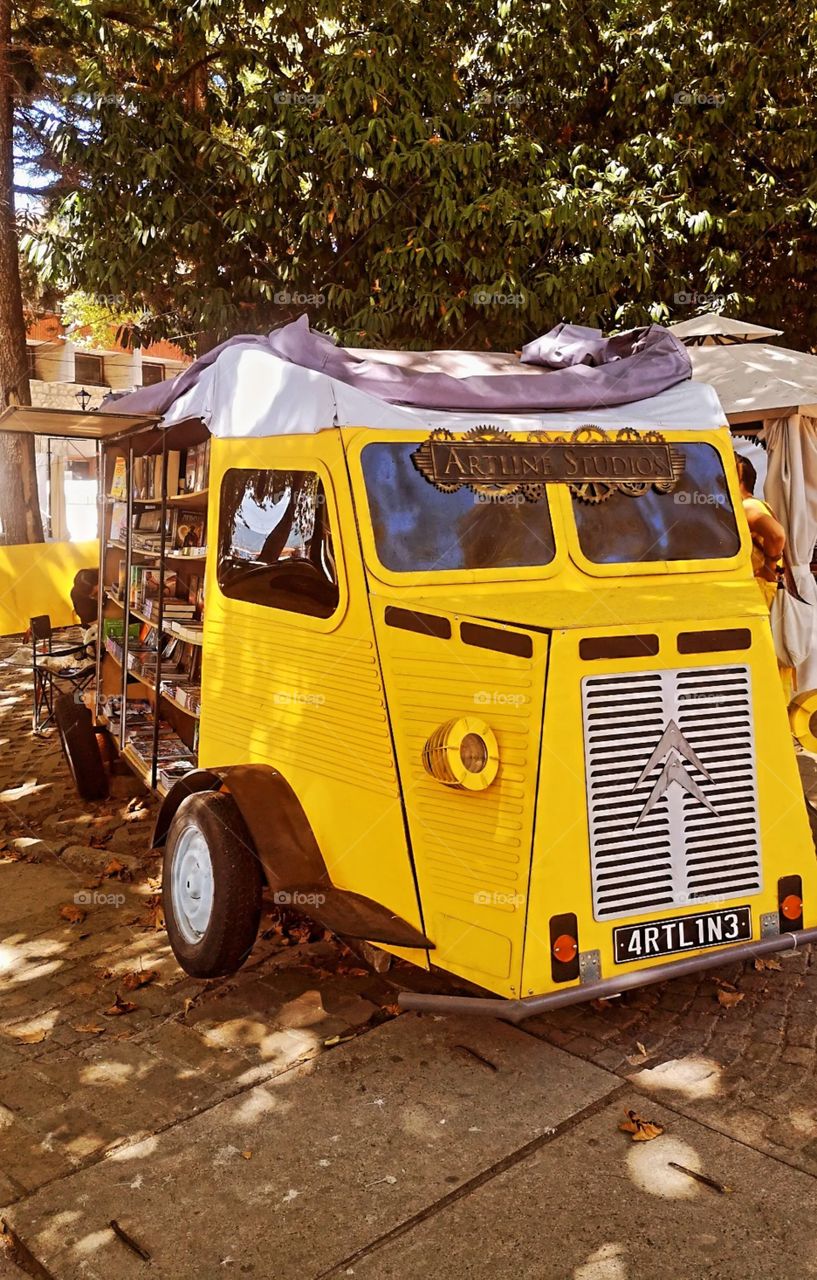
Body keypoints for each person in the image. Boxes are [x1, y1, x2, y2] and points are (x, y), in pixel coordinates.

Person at [734, 454, 793, 698]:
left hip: (760, 591)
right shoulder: (758, 504)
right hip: (764, 590)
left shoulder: (747, 507)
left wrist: (768, 565)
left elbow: (776, 535)